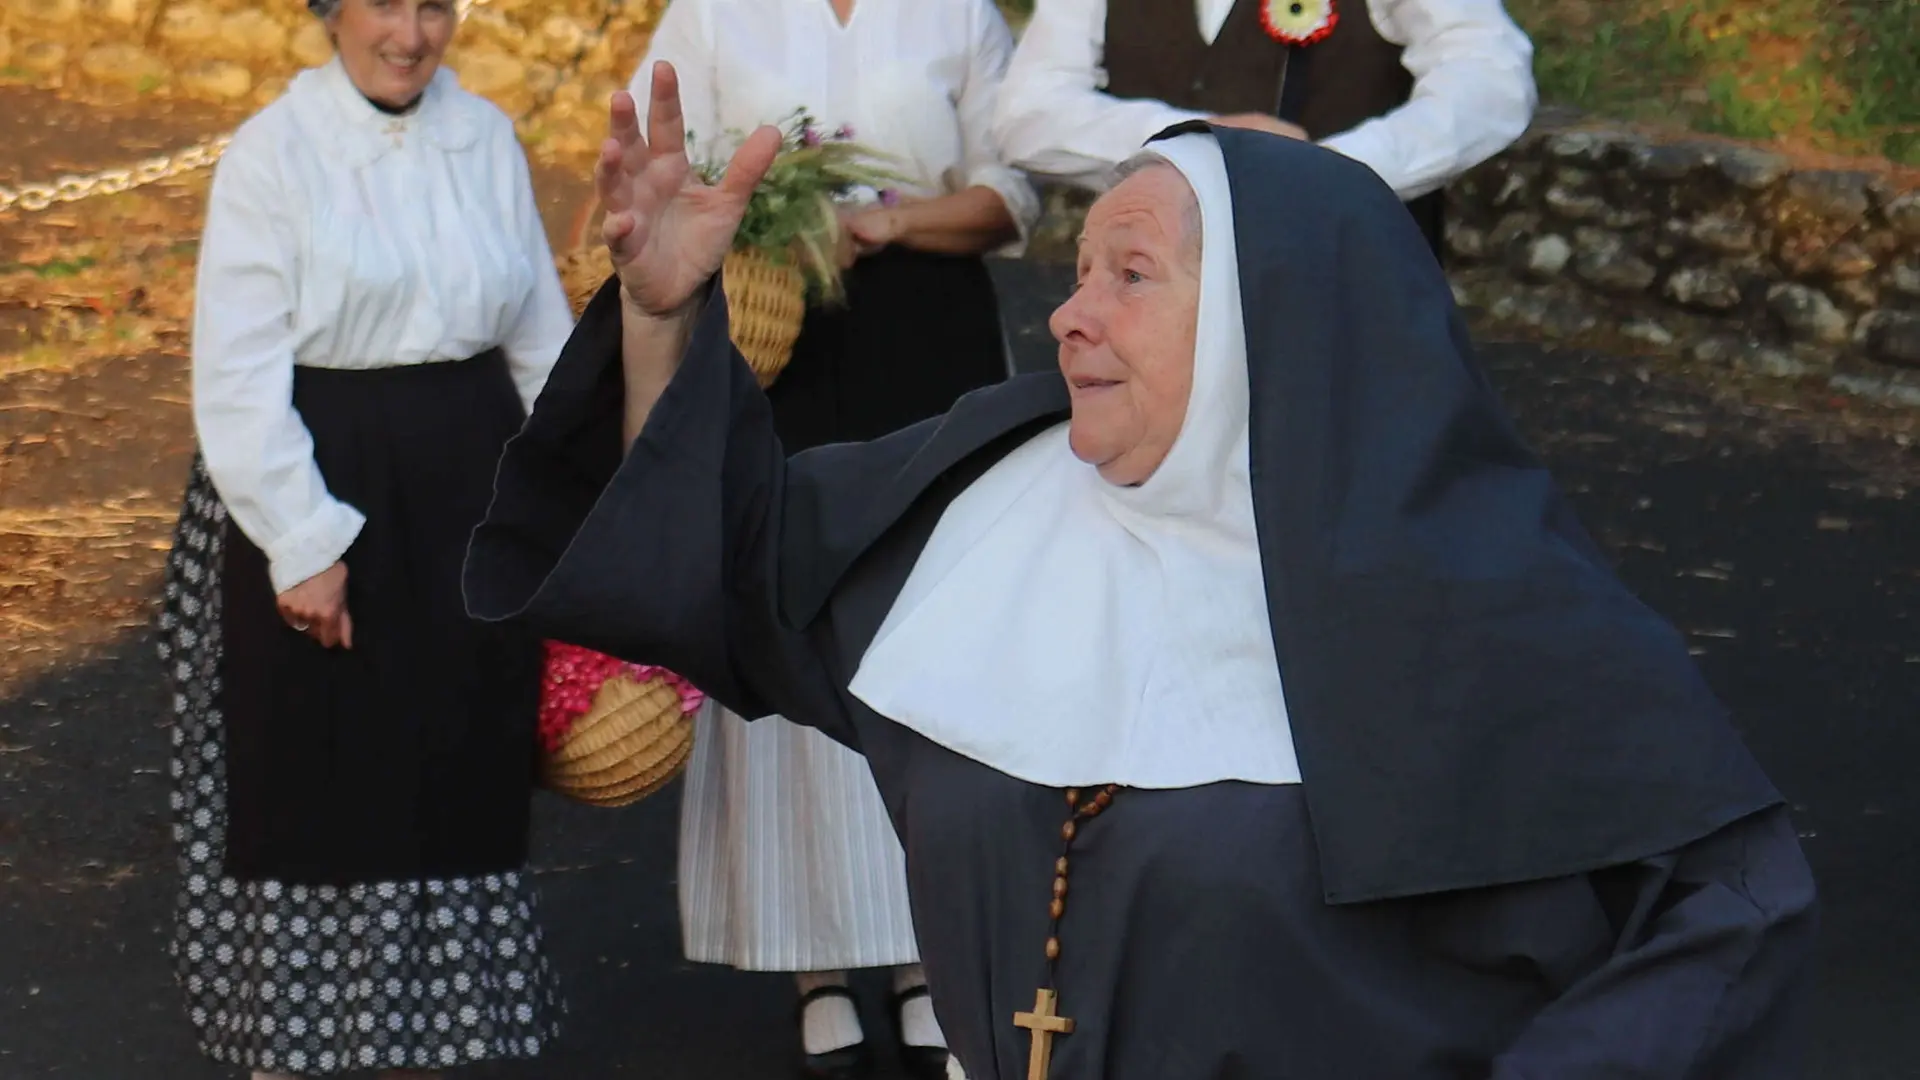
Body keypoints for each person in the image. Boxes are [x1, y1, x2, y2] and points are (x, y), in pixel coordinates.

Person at [465, 67, 1819, 1079]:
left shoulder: (1473, 603)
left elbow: (1722, 923)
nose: (1068, 310)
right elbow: (710, 554)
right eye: (1078, 267)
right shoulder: (982, 508)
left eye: (1132, 272)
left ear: (1263, 328)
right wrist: (661, 314)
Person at [154, 0, 573, 1075]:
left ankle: (449, 1046)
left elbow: (539, 343)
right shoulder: (273, 153)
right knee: (328, 771)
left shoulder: (484, 137)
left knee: (460, 763)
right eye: (383, 4)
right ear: (329, 14)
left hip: (467, 493)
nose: (411, 33)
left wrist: (569, 510)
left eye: (435, 6)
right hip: (320, 480)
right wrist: (305, 544)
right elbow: (239, 378)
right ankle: (319, 1049)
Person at [622, 2, 1039, 1076]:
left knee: (928, 619)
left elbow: (1014, 189)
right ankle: (812, 958)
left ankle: (919, 952)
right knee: (787, 604)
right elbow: (652, 162)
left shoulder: (960, 12)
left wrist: (890, 222)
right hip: (772, 329)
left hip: (924, 326)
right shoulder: (712, 13)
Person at [990, 0, 1537, 259]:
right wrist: (1198, 140)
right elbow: (1025, 114)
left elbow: (1491, 80)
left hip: (1342, 290)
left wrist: (1339, 169)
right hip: (1148, 301)